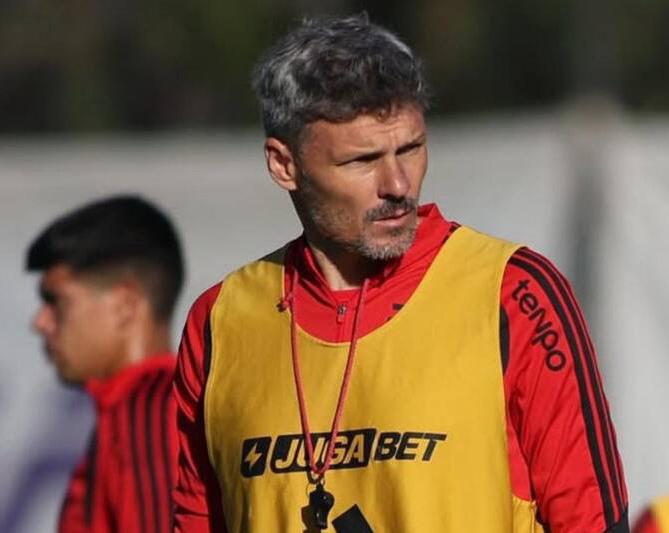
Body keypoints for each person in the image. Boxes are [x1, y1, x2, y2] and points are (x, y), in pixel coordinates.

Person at [173, 14, 629, 533]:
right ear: (284, 165)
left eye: (410, 149)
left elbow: (593, 521)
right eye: (362, 160)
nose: (397, 184)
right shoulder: (221, 322)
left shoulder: (511, 292)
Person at [27, 195, 184, 533]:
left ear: (125, 304)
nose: (40, 322)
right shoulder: (134, 411)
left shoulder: (149, 409)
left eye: (56, 301)